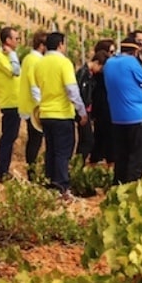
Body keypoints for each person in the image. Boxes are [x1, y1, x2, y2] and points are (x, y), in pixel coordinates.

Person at [34, 32, 88, 201]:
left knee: (51, 150)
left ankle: (51, 184)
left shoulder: (40, 64)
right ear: (60, 44)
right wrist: (82, 111)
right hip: (62, 114)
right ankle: (62, 187)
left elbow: (37, 85)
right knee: (63, 152)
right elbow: (72, 89)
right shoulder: (64, 63)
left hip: (46, 113)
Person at [105, 35, 142, 184]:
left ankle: (118, 184)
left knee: (121, 155)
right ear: (135, 52)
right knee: (137, 155)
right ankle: (132, 187)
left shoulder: (109, 63)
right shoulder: (132, 62)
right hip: (135, 116)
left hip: (116, 117)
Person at [0, 26, 21, 183]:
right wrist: (13, 55)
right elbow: (15, 71)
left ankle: (4, 170)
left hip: (15, 101)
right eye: (16, 38)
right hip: (9, 102)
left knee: (10, 137)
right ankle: (1, 172)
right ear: (8, 40)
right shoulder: (1, 56)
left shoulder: (7, 55)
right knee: (8, 137)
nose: (18, 41)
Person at [17, 30, 46, 182]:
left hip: (27, 106)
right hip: (34, 108)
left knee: (33, 140)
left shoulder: (28, 58)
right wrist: (42, 105)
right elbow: (35, 87)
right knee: (35, 141)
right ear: (42, 45)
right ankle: (32, 174)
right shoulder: (37, 61)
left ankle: (31, 171)